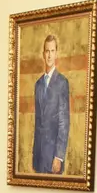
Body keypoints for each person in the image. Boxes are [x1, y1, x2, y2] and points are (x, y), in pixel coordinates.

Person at [32, 34, 70, 175]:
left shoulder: (62, 83)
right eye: (47, 51)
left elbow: (63, 123)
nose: (49, 55)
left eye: (52, 51)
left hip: (54, 158)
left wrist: (59, 156)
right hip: (39, 157)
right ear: (43, 54)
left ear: (56, 54)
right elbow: (38, 122)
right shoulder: (38, 84)